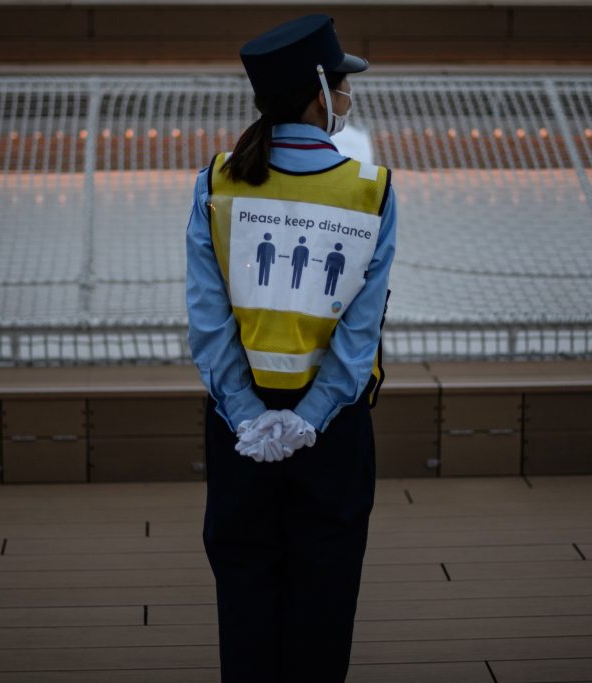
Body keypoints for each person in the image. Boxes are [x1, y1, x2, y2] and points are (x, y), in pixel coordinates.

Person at [185, 13, 397, 682]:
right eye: (342, 82)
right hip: (331, 435)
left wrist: (249, 415)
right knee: (325, 595)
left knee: (245, 592)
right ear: (319, 91)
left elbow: (208, 321)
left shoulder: (218, 182)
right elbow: (359, 335)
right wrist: (309, 417)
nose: (348, 94)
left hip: (238, 433)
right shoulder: (371, 191)